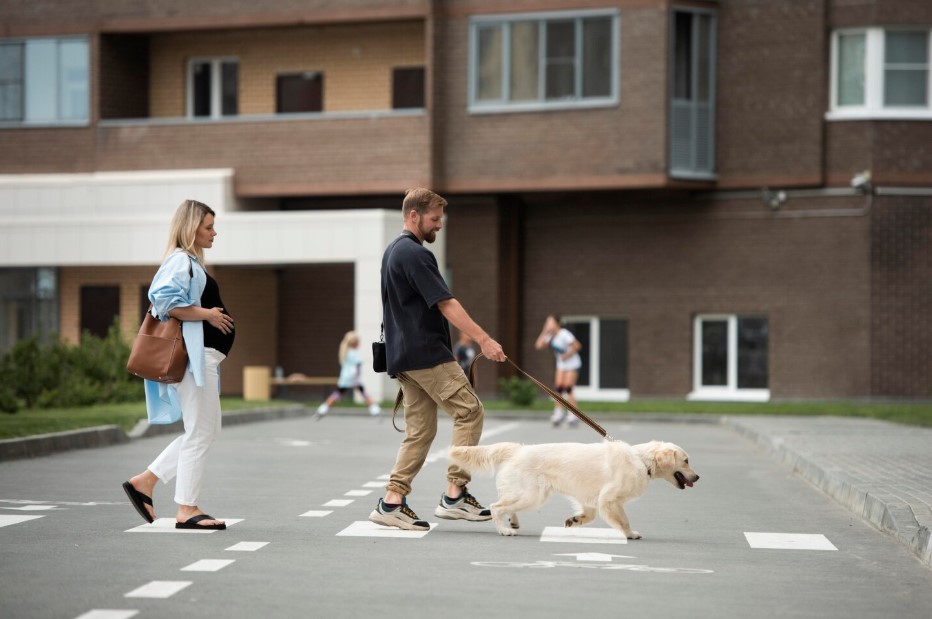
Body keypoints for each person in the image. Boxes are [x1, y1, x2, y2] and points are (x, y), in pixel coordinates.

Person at [369, 188, 507, 531]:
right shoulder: (414, 254)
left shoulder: (392, 252)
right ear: (413, 216)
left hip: (403, 357)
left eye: (440, 218)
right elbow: (446, 303)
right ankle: (455, 495)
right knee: (470, 411)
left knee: (420, 432)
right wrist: (484, 340)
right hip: (427, 353)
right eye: (434, 218)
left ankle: (392, 502)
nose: (439, 225)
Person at [122, 199, 235, 531]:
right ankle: (186, 508)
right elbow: (164, 302)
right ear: (191, 228)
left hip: (204, 360)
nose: (215, 232)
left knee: (204, 431)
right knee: (200, 432)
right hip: (192, 361)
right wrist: (208, 314)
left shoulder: (190, 262)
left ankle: (146, 481)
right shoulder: (180, 261)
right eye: (208, 227)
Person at [316, 330, 382, 418]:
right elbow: (356, 366)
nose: (359, 343)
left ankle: (323, 409)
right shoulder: (353, 353)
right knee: (363, 393)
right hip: (353, 378)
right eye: (358, 341)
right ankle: (375, 410)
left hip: (345, 378)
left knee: (338, 394)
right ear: (354, 343)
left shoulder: (346, 352)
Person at [535, 314, 582, 428]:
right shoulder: (550, 336)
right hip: (561, 365)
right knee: (559, 389)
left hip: (572, 364)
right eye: (547, 322)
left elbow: (577, 346)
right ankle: (558, 413)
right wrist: (544, 331)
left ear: (557, 324)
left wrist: (567, 355)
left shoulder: (564, 334)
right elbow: (538, 345)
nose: (549, 324)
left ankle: (573, 414)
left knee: (568, 389)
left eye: (550, 322)